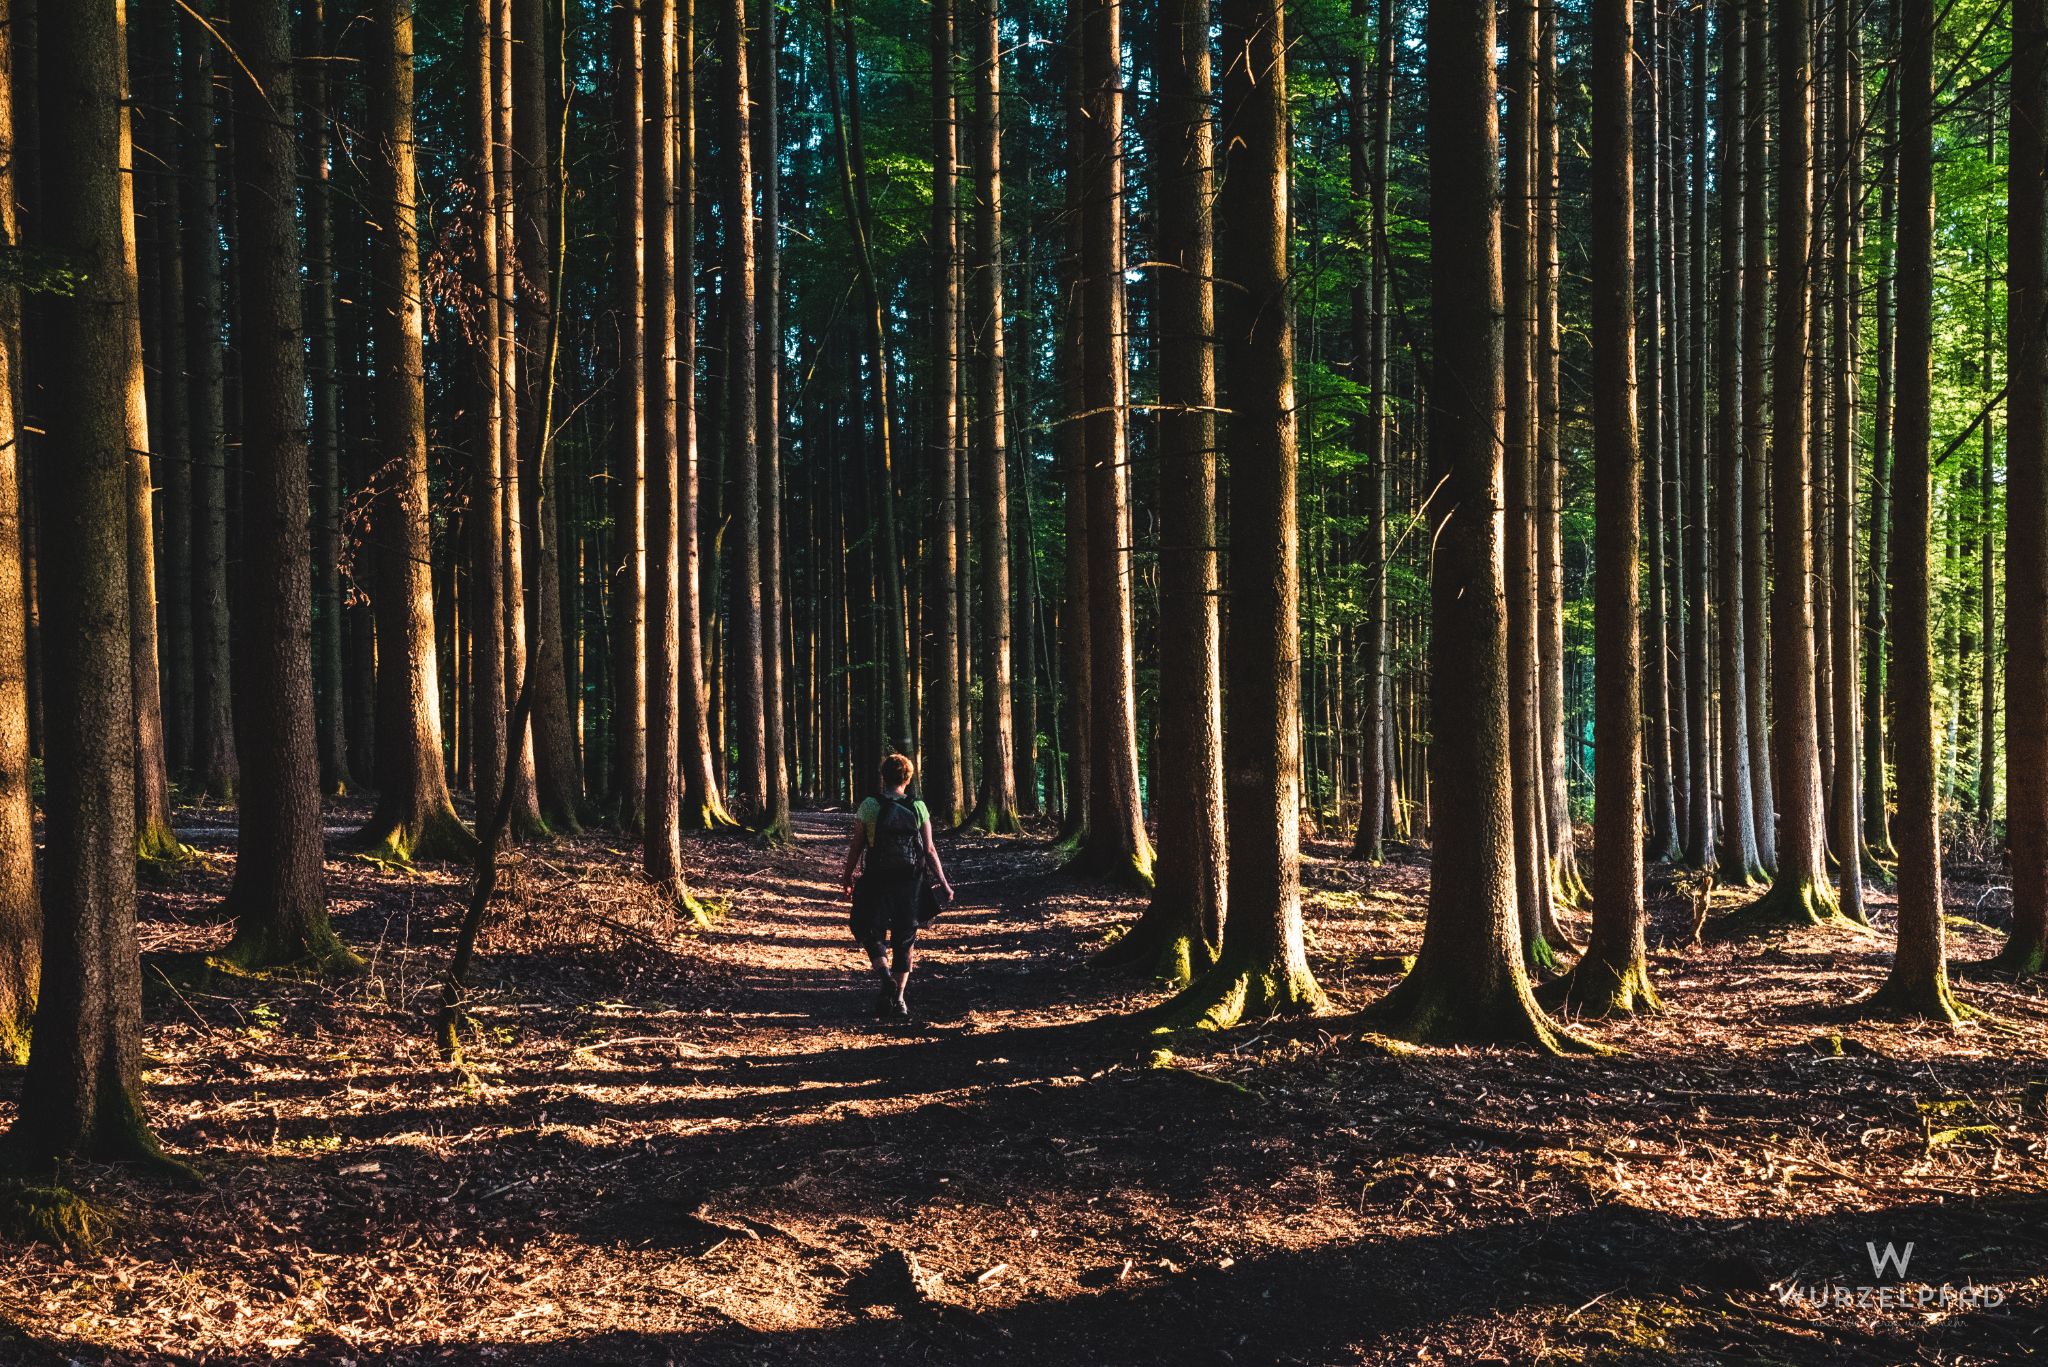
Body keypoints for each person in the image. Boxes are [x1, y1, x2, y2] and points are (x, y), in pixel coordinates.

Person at [841, 753, 953, 1019]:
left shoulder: (869, 805)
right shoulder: (918, 807)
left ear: (884, 776)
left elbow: (857, 845)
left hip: (876, 878)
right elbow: (929, 849)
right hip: (910, 882)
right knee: (905, 939)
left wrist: (847, 876)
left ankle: (884, 977)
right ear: (908, 778)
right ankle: (900, 1000)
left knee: (868, 928)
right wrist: (944, 884)